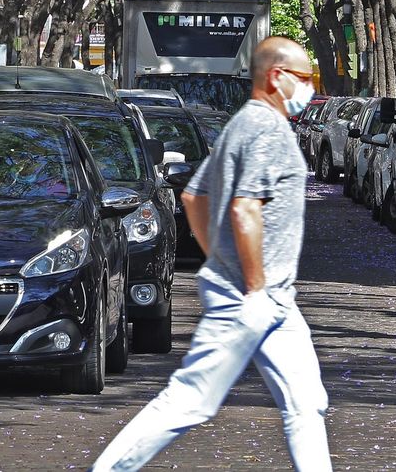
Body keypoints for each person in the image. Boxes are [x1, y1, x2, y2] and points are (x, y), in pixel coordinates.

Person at [93, 36, 332, 472]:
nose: (310, 88)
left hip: (272, 296)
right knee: (191, 400)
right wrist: (250, 284)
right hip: (253, 295)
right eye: (305, 78)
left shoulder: (242, 126)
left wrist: (219, 259)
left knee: (307, 401)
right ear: (277, 77)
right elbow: (244, 209)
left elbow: (195, 198)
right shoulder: (265, 129)